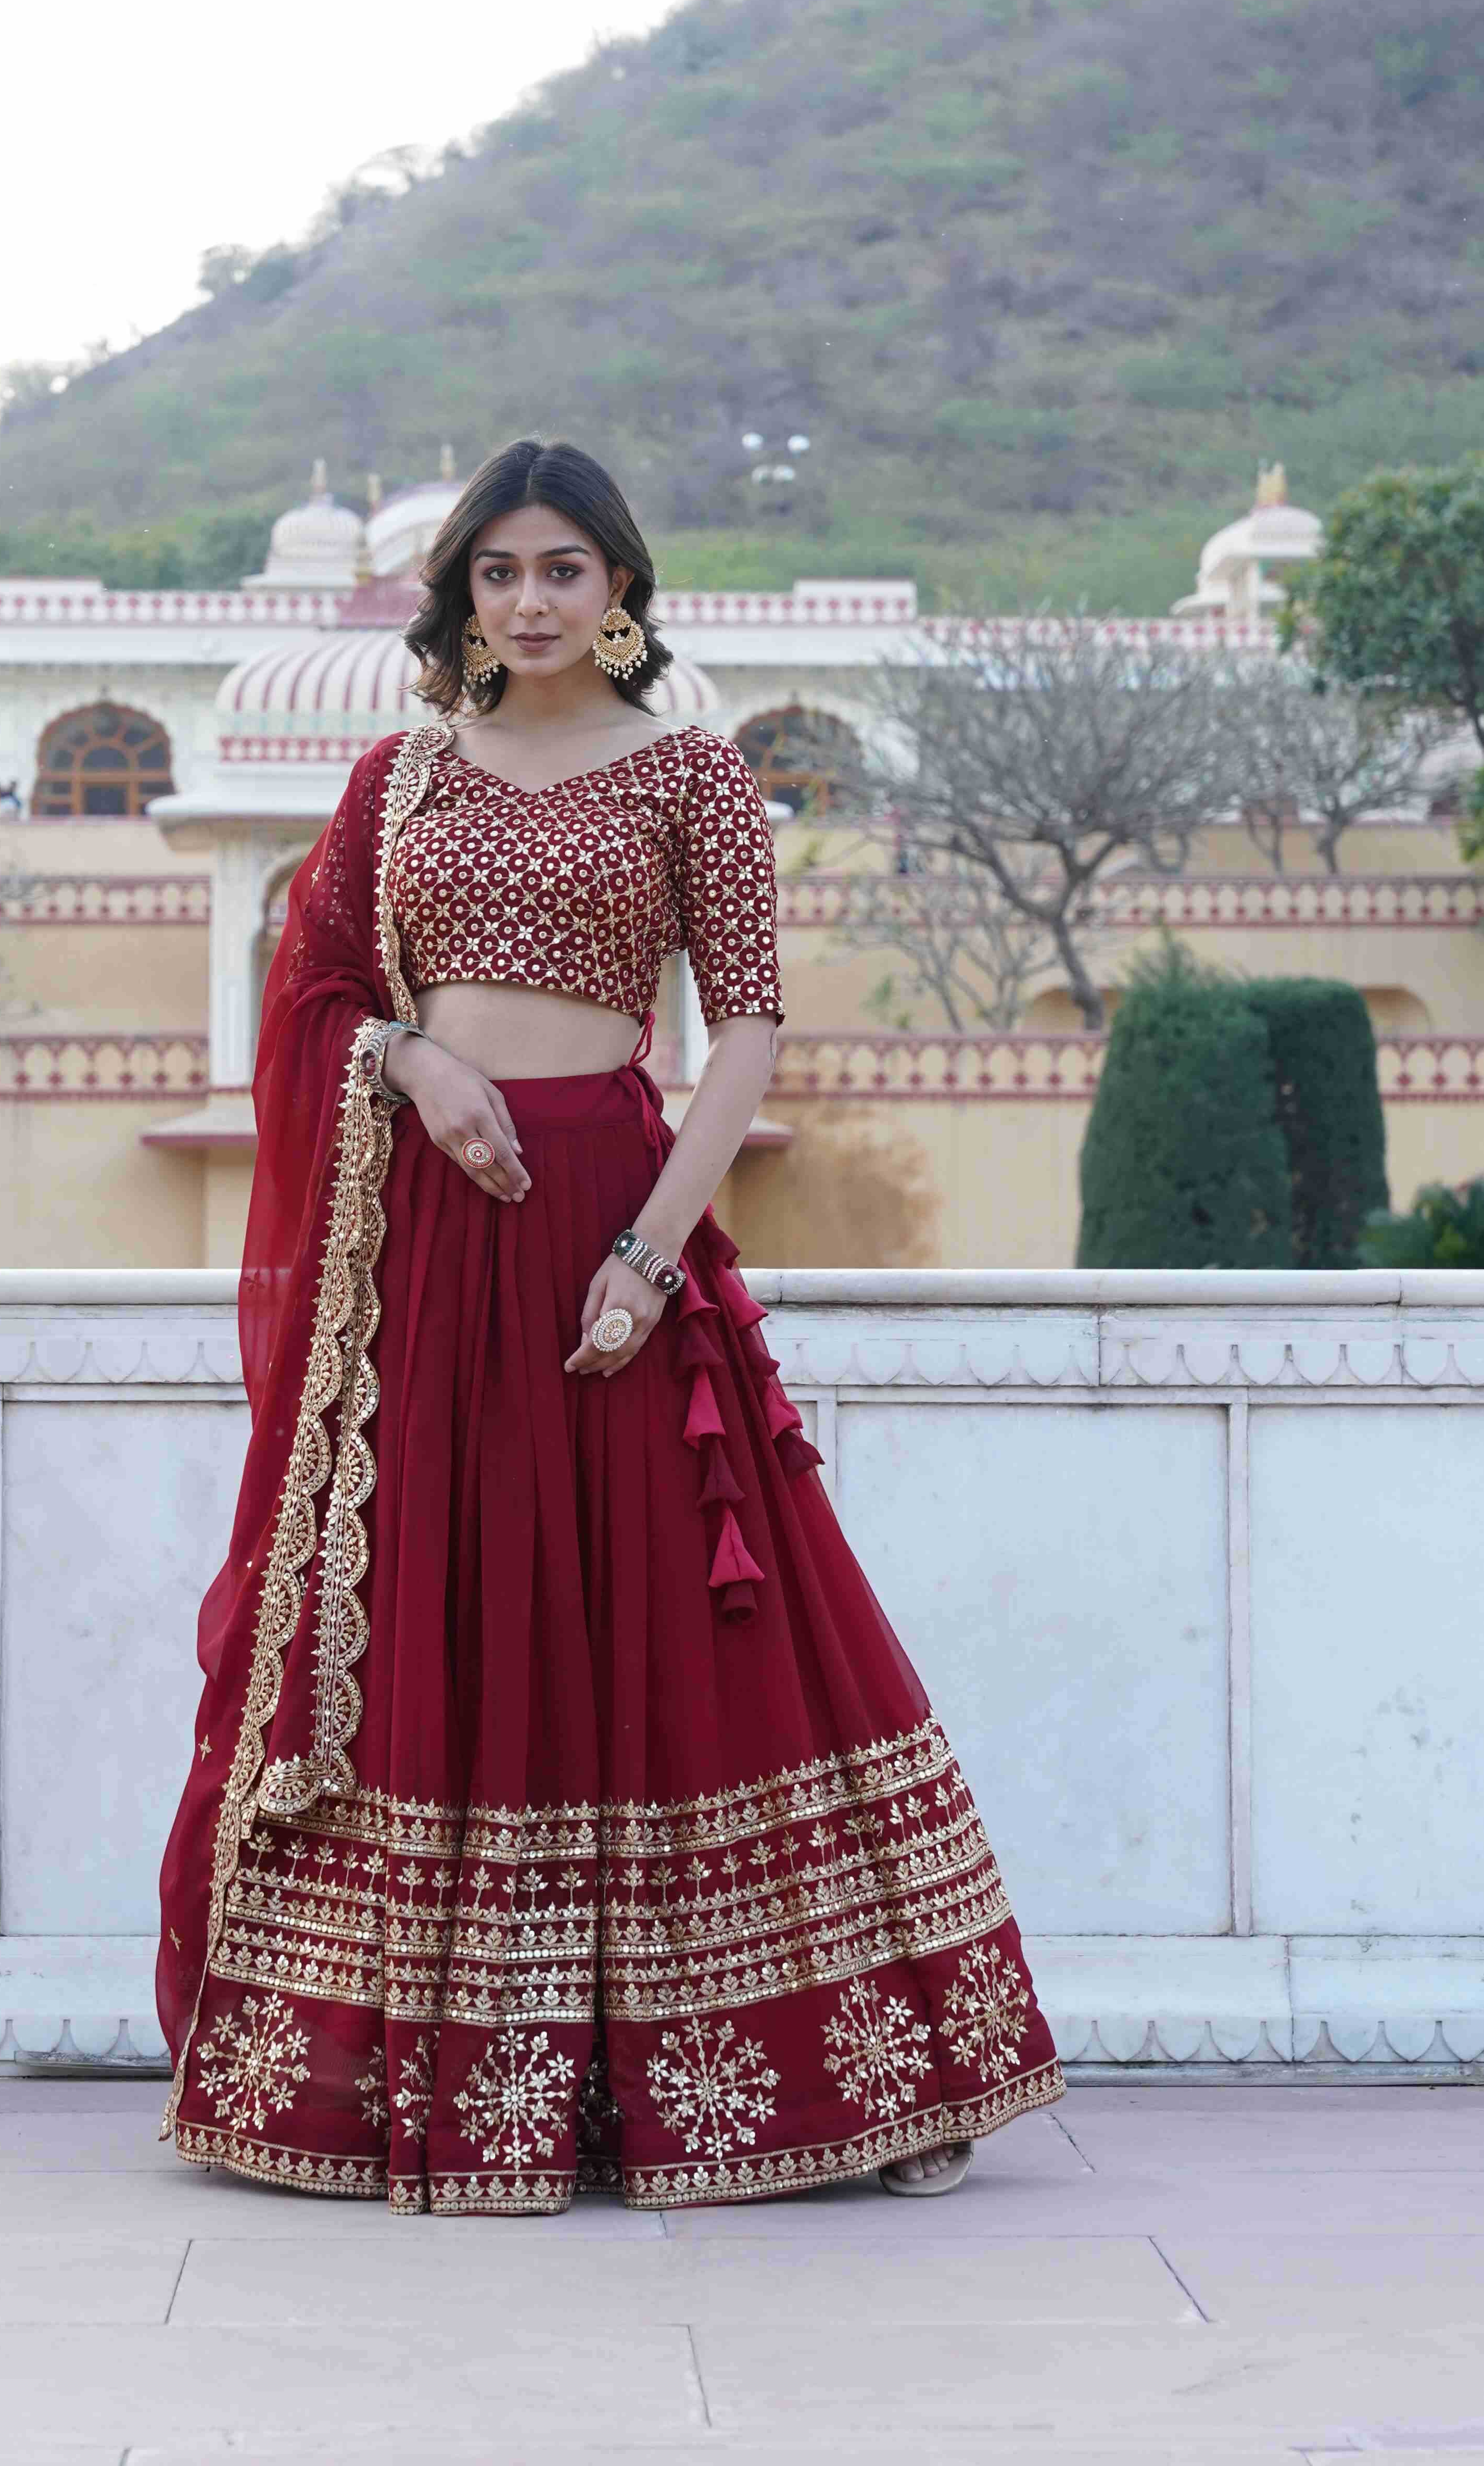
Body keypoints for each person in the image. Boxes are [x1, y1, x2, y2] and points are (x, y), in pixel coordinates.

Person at [156, 439, 1062, 2215]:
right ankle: (428, 2080)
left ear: (621, 587)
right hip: (429, 1240)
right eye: (497, 573)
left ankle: (847, 2066)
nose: (530, 601)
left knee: (693, 1612)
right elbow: (321, 984)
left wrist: (652, 1256)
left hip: (606, 1224)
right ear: (461, 596)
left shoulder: (691, 776)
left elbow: (743, 1030)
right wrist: (413, 1066)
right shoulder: (398, 779)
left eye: (562, 569)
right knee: (445, 1604)